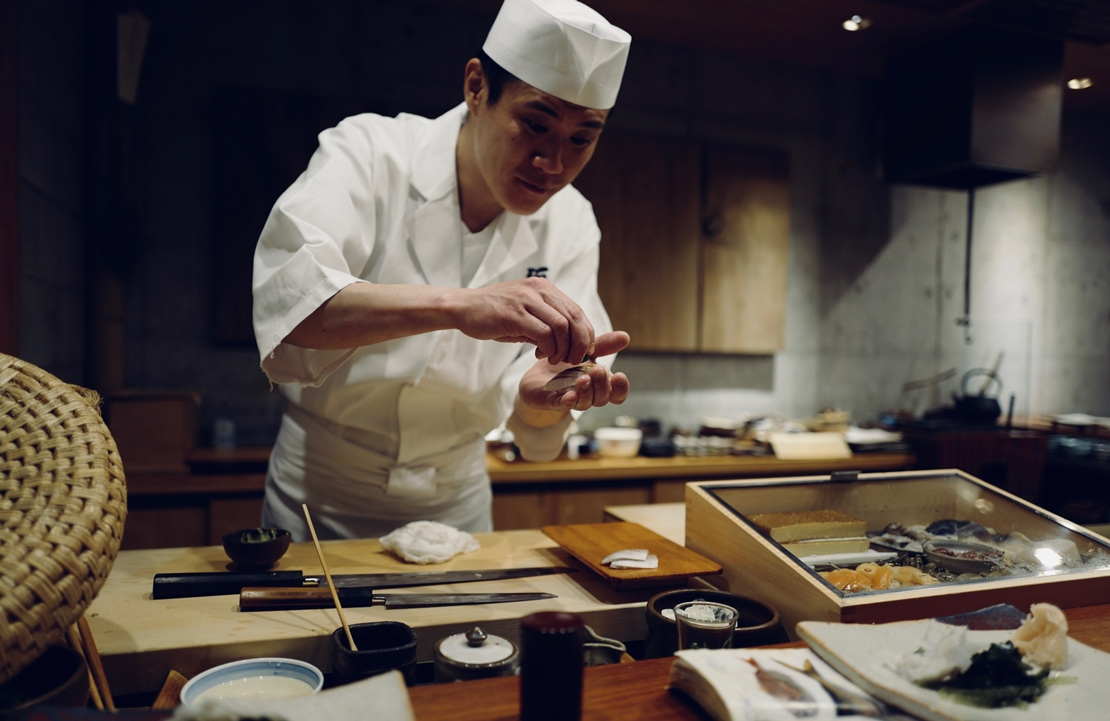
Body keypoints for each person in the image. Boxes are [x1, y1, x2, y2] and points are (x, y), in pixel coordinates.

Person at [251, 0, 632, 541]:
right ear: (476, 87)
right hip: (320, 495)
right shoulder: (369, 153)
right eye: (534, 124)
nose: (552, 163)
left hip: (457, 504)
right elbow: (292, 307)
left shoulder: (572, 220)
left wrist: (541, 402)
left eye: (581, 139)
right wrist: (461, 306)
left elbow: (537, 420)